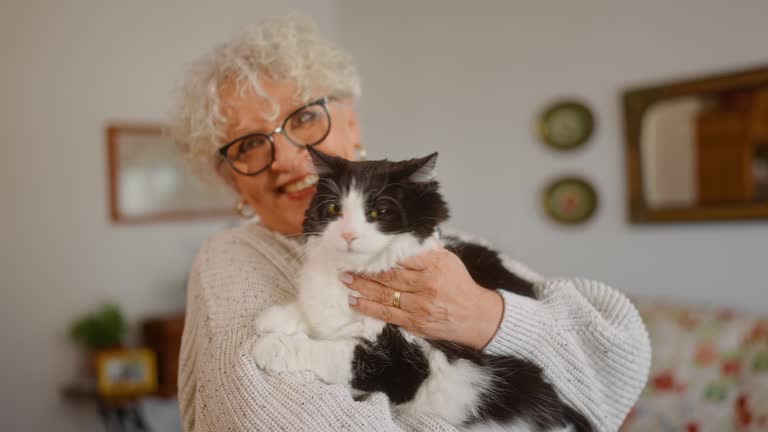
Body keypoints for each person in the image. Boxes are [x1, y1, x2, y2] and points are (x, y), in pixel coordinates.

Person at [170, 15, 650, 432]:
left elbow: (617, 360)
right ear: (230, 179)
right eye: (248, 145)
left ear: (352, 122)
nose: (288, 158)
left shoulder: (452, 245)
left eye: (304, 118)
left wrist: (485, 315)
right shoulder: (232, 259)